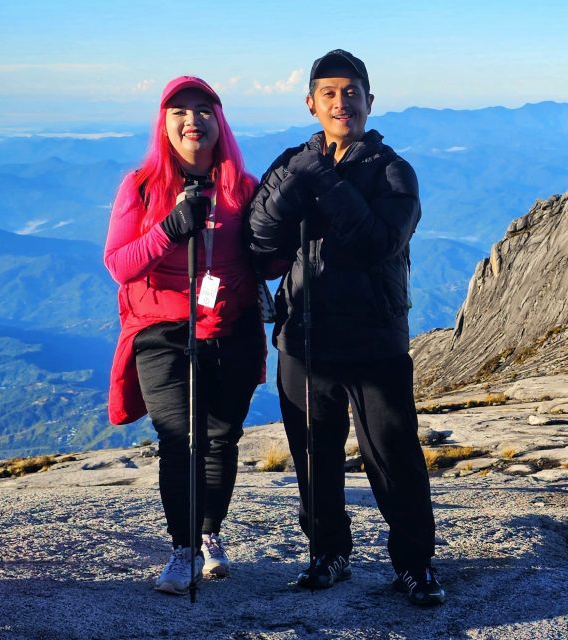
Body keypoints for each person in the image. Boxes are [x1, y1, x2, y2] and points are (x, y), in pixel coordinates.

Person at [247, 50, 445, 606]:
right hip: (303, 343)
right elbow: (258, 240)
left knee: (393, 457)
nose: (342, 102)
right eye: (330, 93)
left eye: (352, 91)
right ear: (311, 103)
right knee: (312, 458)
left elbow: (378, 243)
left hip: (374, 342)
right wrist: (295, 185)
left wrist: (325, 184)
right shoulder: (291, 163)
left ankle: (414, 564)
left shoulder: (393, 171)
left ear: (369, 101)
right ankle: (327, 554)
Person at [104, 75, 264, 595]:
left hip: (231, 326)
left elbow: (269, 258)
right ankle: (183, 548)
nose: (192, 120)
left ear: (220, 122)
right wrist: (172, 227)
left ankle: (210, 533)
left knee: (221, 437)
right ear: (164, 123)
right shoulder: (142, 185)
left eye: (203, 110)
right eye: (180, 111)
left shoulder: (245, 188)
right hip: (161, 330)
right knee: (180, 439)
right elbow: (119, 264)